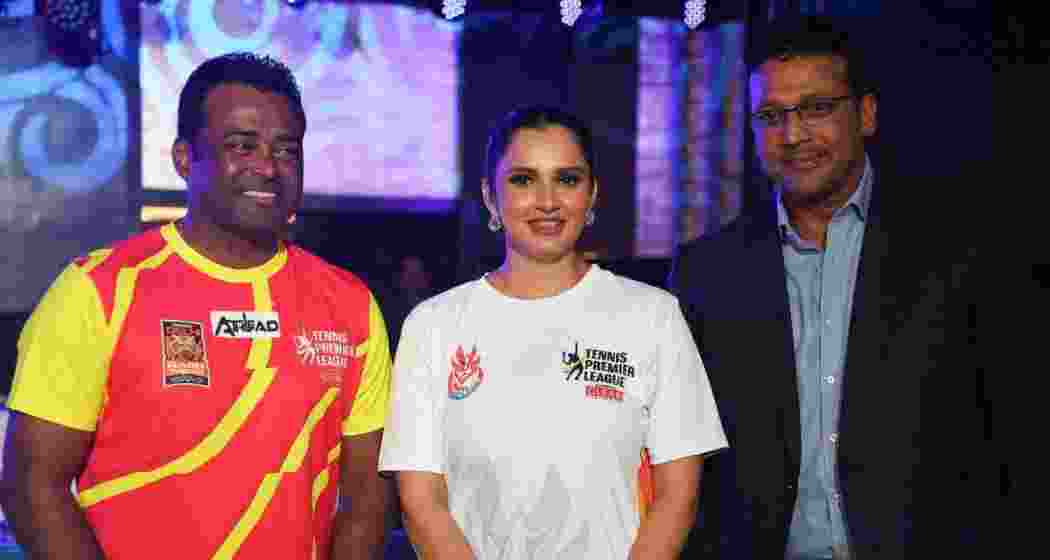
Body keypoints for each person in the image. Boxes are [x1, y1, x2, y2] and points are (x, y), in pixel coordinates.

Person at [0, 52, 393, 560]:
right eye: (241, 145)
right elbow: (33, 485)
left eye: (286, 150)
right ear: (185, 158)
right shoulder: (97, 290)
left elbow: (368, 497)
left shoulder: (351, 307)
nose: (268, 167)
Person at [669, 15, 986, 559]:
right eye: (771, 116)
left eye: (816, 108)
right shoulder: (706, 275)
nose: (792, 135)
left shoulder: (955, 256)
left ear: (865, 114)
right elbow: (688, 468)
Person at [378, 105, 727, 559]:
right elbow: (421, 499)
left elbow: (677, 495)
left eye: (567, 179)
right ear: (490, 198)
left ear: (592, 194)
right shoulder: (434, 324)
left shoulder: (653, 316)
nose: (547, 200)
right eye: (523, 180)